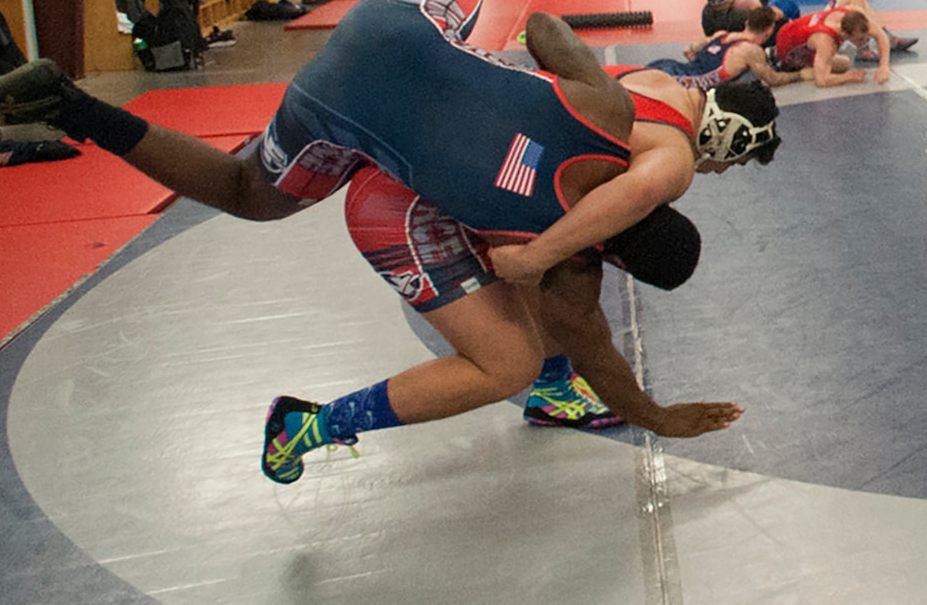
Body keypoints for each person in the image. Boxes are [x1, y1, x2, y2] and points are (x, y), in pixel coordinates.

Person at [0, 0, 784, 479]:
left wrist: (555, 89)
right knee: (253, 193)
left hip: (399, 29)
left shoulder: (613, 115)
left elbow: (547, 37)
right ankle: (70, 107)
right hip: (353, 129)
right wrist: (658, 416)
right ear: (618, 258)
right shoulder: (570, 276)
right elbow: (607, 359)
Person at [256, 163, 742, 482]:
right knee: (506, 366)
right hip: (396, 212)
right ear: (616, 259)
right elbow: (596, 353)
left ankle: (553, 389)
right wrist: (657, 419)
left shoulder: (611, 166)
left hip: (405, 170)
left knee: (529, 268)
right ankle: (305, 426)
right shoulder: (579, 265)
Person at [648, 7, 812, 90]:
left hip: (671, 66)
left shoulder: (721, 34)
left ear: (746, 23)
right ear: (769, 31)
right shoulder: (751, 50)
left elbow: (689, 50)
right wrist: (800, 75)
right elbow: (773, 79)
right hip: (684, 81)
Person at [772, 0, 897, 88]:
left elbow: (880, 34)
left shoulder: (850, 13)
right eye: (859, 39)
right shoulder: (826, 41)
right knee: (843, 64)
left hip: (789, 29)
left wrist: (884, 66)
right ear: (845, 35)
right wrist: (849, 77)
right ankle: (797, 70)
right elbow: (821, 81)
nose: (864, 42)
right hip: (786, 51)